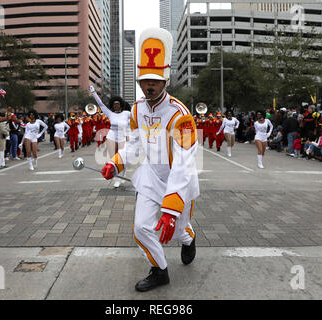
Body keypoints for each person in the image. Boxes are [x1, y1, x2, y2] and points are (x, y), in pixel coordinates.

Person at [101, 28, 199, 292]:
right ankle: (159, 270)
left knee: (176, 232)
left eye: (155, 80)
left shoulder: (182, 115)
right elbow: (135, 143)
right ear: (139, 82)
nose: (149, 84)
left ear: (165, 80)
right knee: (142, 228)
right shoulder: (135, 109)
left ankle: (188, 237)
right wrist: (116, 162)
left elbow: (185, 162)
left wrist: (171, 206)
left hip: (177, 183)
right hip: (149, 178)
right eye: (145, 80)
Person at [89, 86, 130, 188]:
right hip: (111, 136)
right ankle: (117, 179)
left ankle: (123, 174)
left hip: (122, 137)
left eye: (118, 104)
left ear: (121, 105)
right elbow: (101, 104)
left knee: (121, 159)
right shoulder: (110, 113)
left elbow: (137, 117)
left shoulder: (127, 113)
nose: (116, 106)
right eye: (114, 104)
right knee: (113, 159)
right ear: (112, 105)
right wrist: (94, 92)